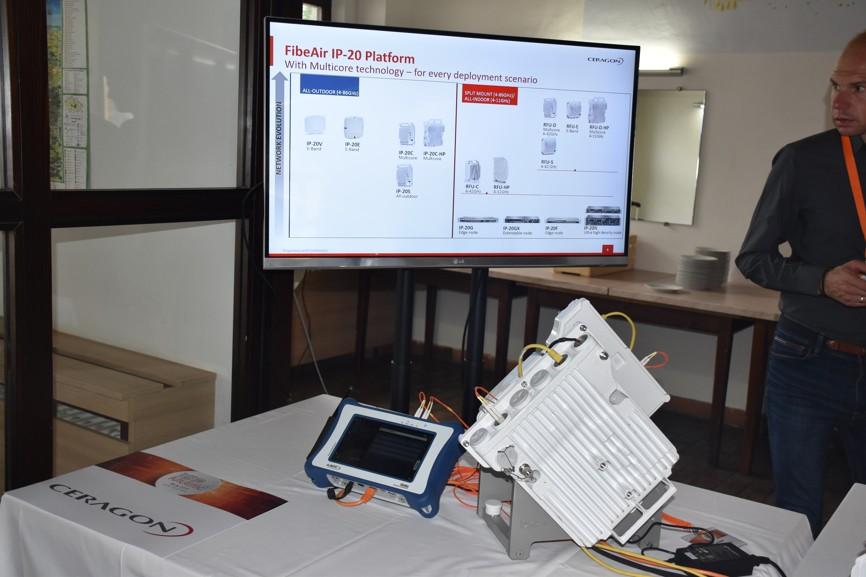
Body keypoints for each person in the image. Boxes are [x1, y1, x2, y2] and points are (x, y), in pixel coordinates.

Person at [736, 29, 866, 536]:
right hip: (807, 359)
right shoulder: (803, 160)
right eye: (836, 86)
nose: (840, 102)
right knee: (795, 515)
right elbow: (753, 258)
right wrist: (821, 280)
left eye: (859, 88)